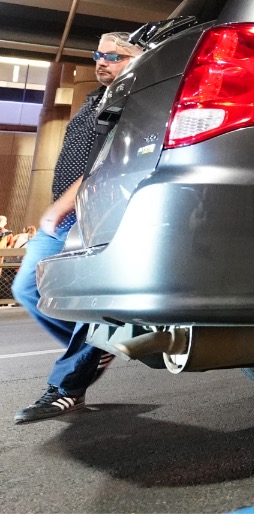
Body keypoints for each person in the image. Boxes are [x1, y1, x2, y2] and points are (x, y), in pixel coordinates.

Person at [13, 31, 142, 424]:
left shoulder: (134, 102)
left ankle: (68, 386)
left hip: (96, 214)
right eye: (98, 54)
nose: (102, 61)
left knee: (93, 303)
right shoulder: (92, 101)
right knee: (27, 288)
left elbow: (110, 162)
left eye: (115, 56)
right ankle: (95, 346)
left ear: (138, 60)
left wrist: (62, 205)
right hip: (66, 217)